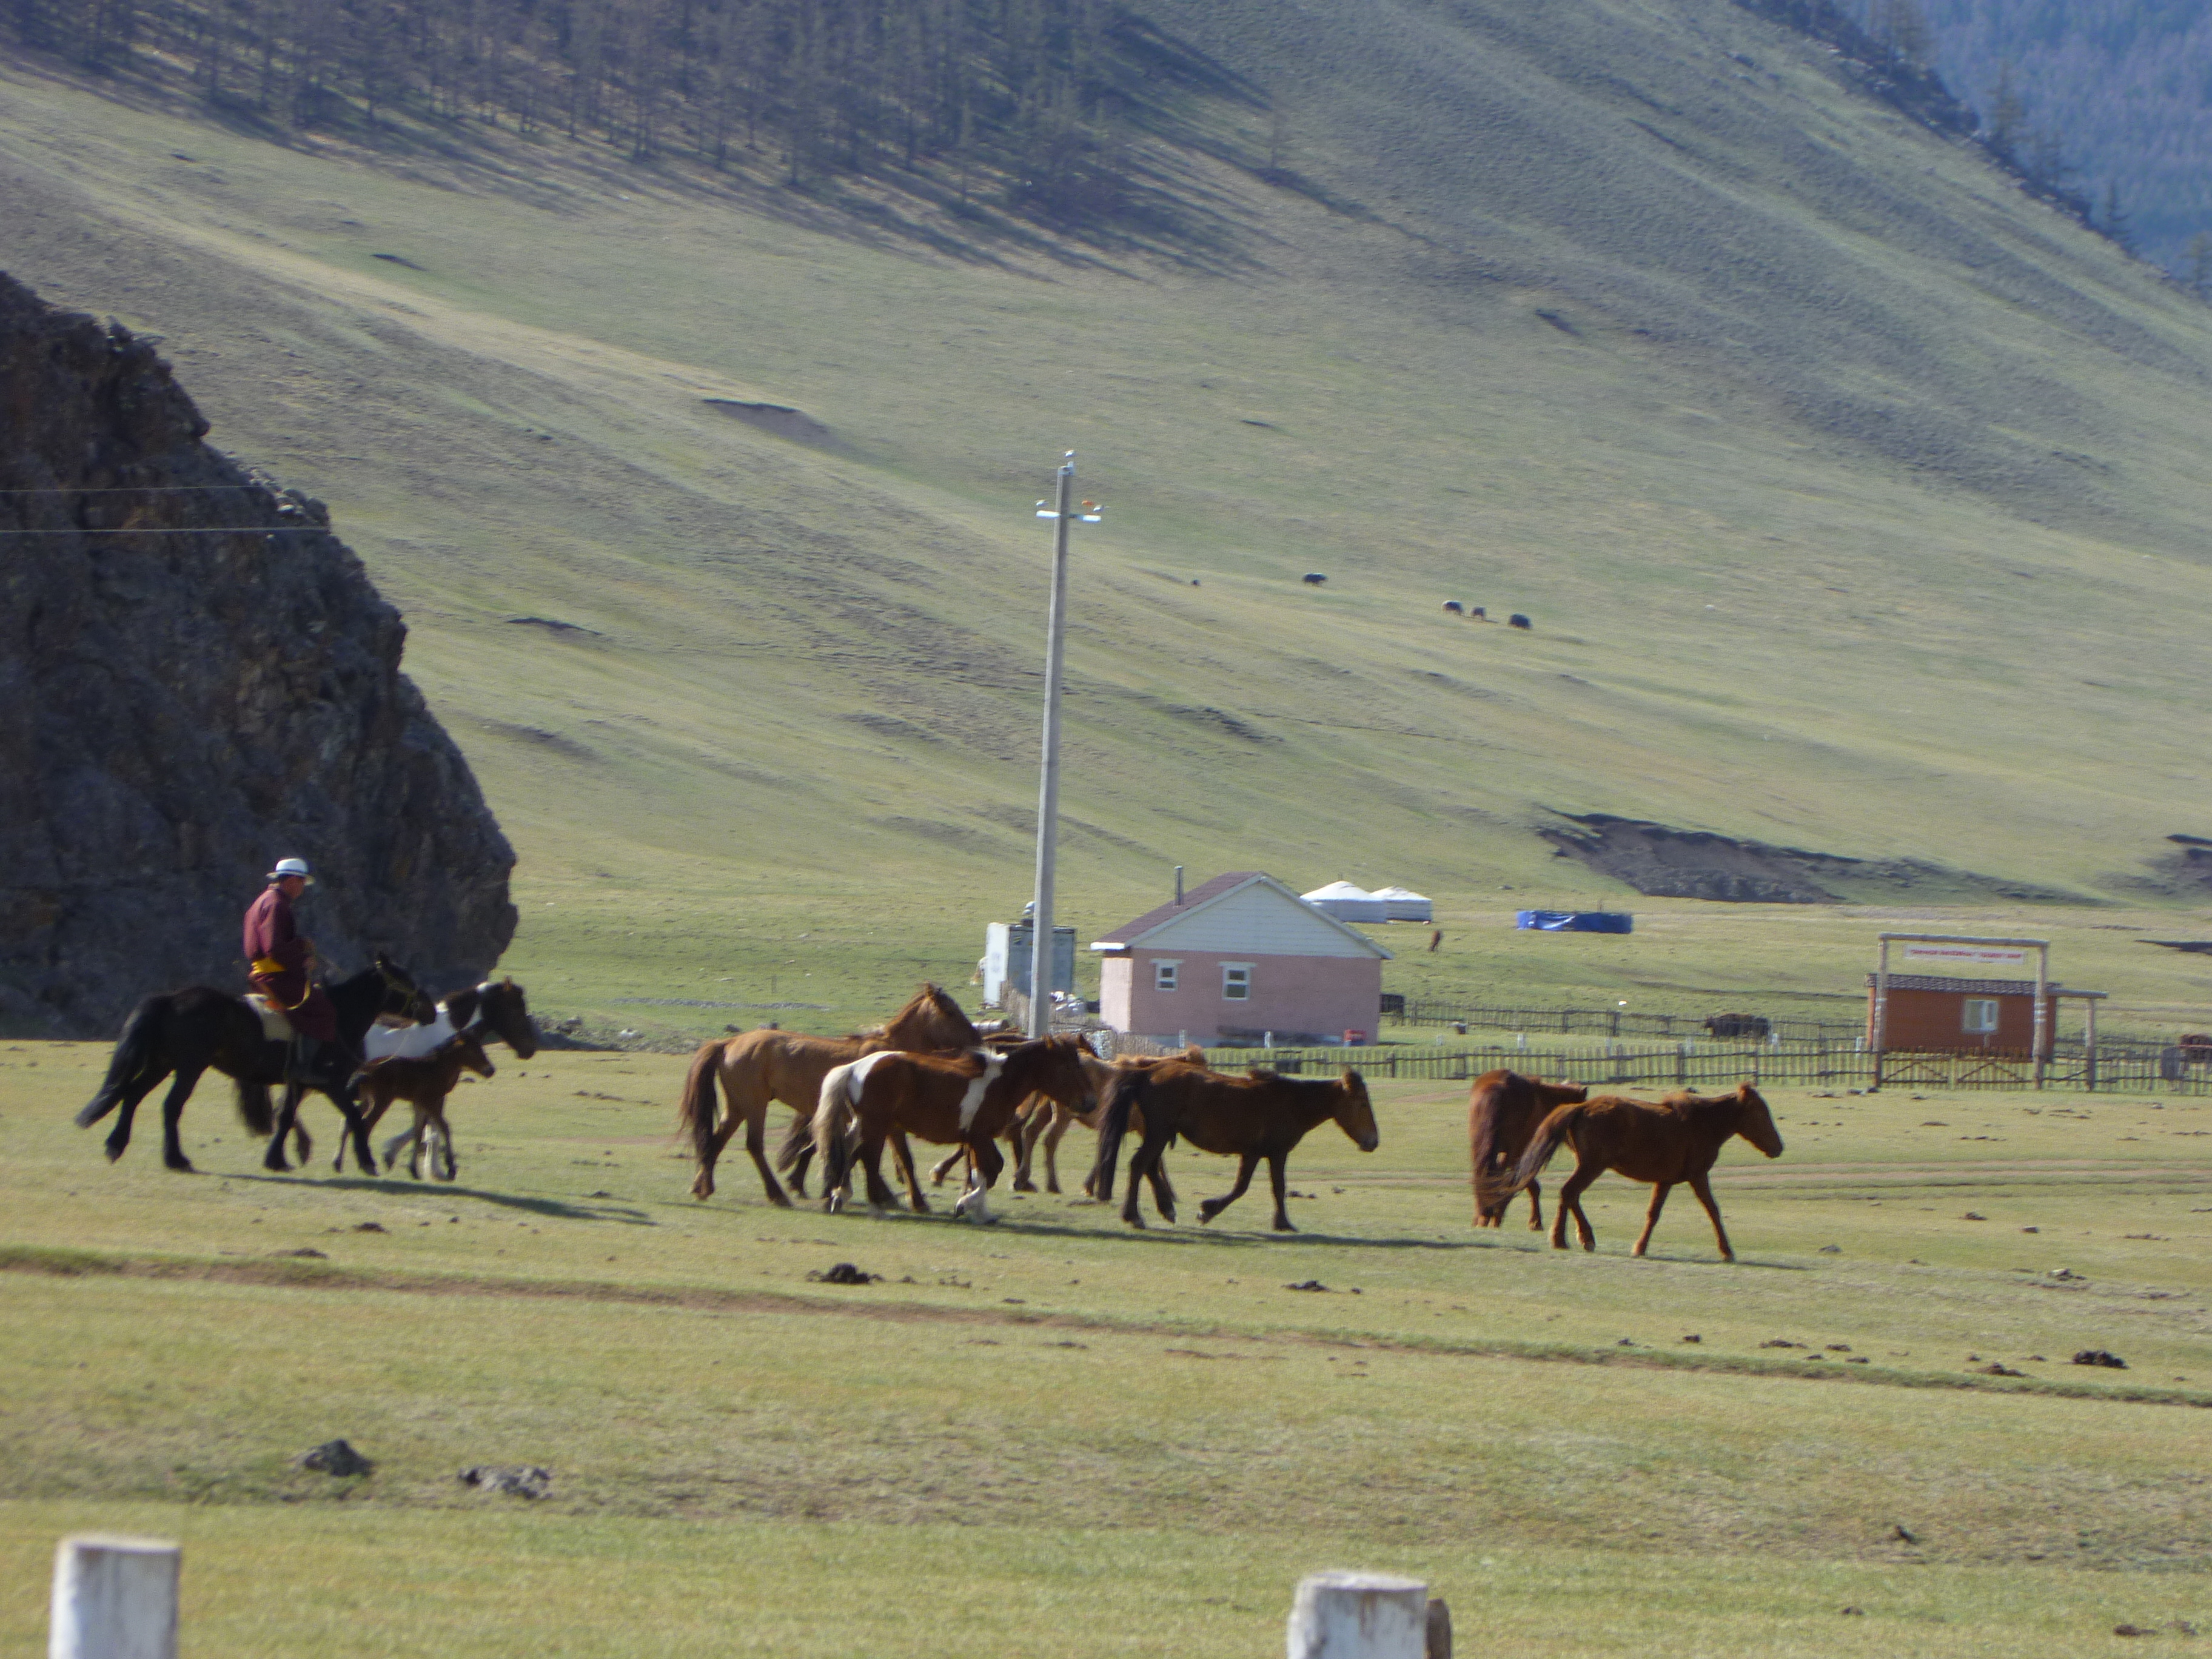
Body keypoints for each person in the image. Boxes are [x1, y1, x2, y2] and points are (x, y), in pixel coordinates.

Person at [243, 857, 345, 1083]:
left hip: (264, 972)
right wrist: (303, 957)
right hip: (276, 977)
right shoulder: (277, 905)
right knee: (324, 1010)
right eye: (300, 882)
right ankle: (304, 1068)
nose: (301, 888)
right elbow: (274, 947)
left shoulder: (262, 901)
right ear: (290, 881)